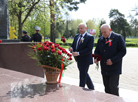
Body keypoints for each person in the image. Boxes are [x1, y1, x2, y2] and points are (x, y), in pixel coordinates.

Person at [94, 24, 126, 96]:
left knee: (113, 87)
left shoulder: (118, 38)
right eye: (102, 32)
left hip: (114, 67)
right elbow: (97, 51)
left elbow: (123, 51)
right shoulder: (100, 40)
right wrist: (96, 58)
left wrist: (113, 60)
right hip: (104, 68)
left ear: (110, 30)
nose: (103, 34)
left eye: (105, 32)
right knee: (107, 88)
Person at [69, 23, 94, 90]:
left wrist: (79, 53)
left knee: (82, 75)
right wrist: (71, 48)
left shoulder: (90, 37)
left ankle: (81, 89)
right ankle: (91, 87)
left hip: (85, 59)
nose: (80, 30)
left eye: (81, 28)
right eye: (79, 28)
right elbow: (73, 45)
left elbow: (89, 49)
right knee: (84, 73)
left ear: (85, 28)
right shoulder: (77, 36)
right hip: (78, 59)